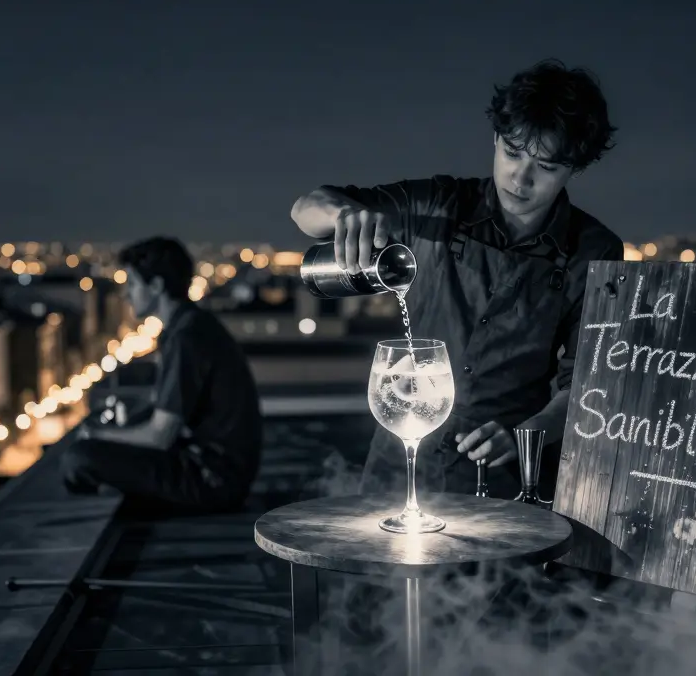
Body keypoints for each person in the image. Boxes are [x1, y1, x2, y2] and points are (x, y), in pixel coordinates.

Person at [290, 59, 623, 500]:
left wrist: (530, 433)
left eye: (546, 166)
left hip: (500, 473)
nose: (521, 177)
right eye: (512, 151)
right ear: (495, 139)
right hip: (397, 461)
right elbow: (305, 210)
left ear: (574, 169)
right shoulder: (438, 203)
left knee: (491, 571)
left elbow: (585, 381)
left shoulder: (594, 251)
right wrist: (343, 213)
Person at [58, 236, 264, 514]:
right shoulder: (191, 325)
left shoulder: (186, 337)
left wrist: (96, 434)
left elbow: (160, 436)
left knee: (80, 457)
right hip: (220, 471)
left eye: (132, 284)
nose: (126, 294)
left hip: (213, 479)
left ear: (156, 285)